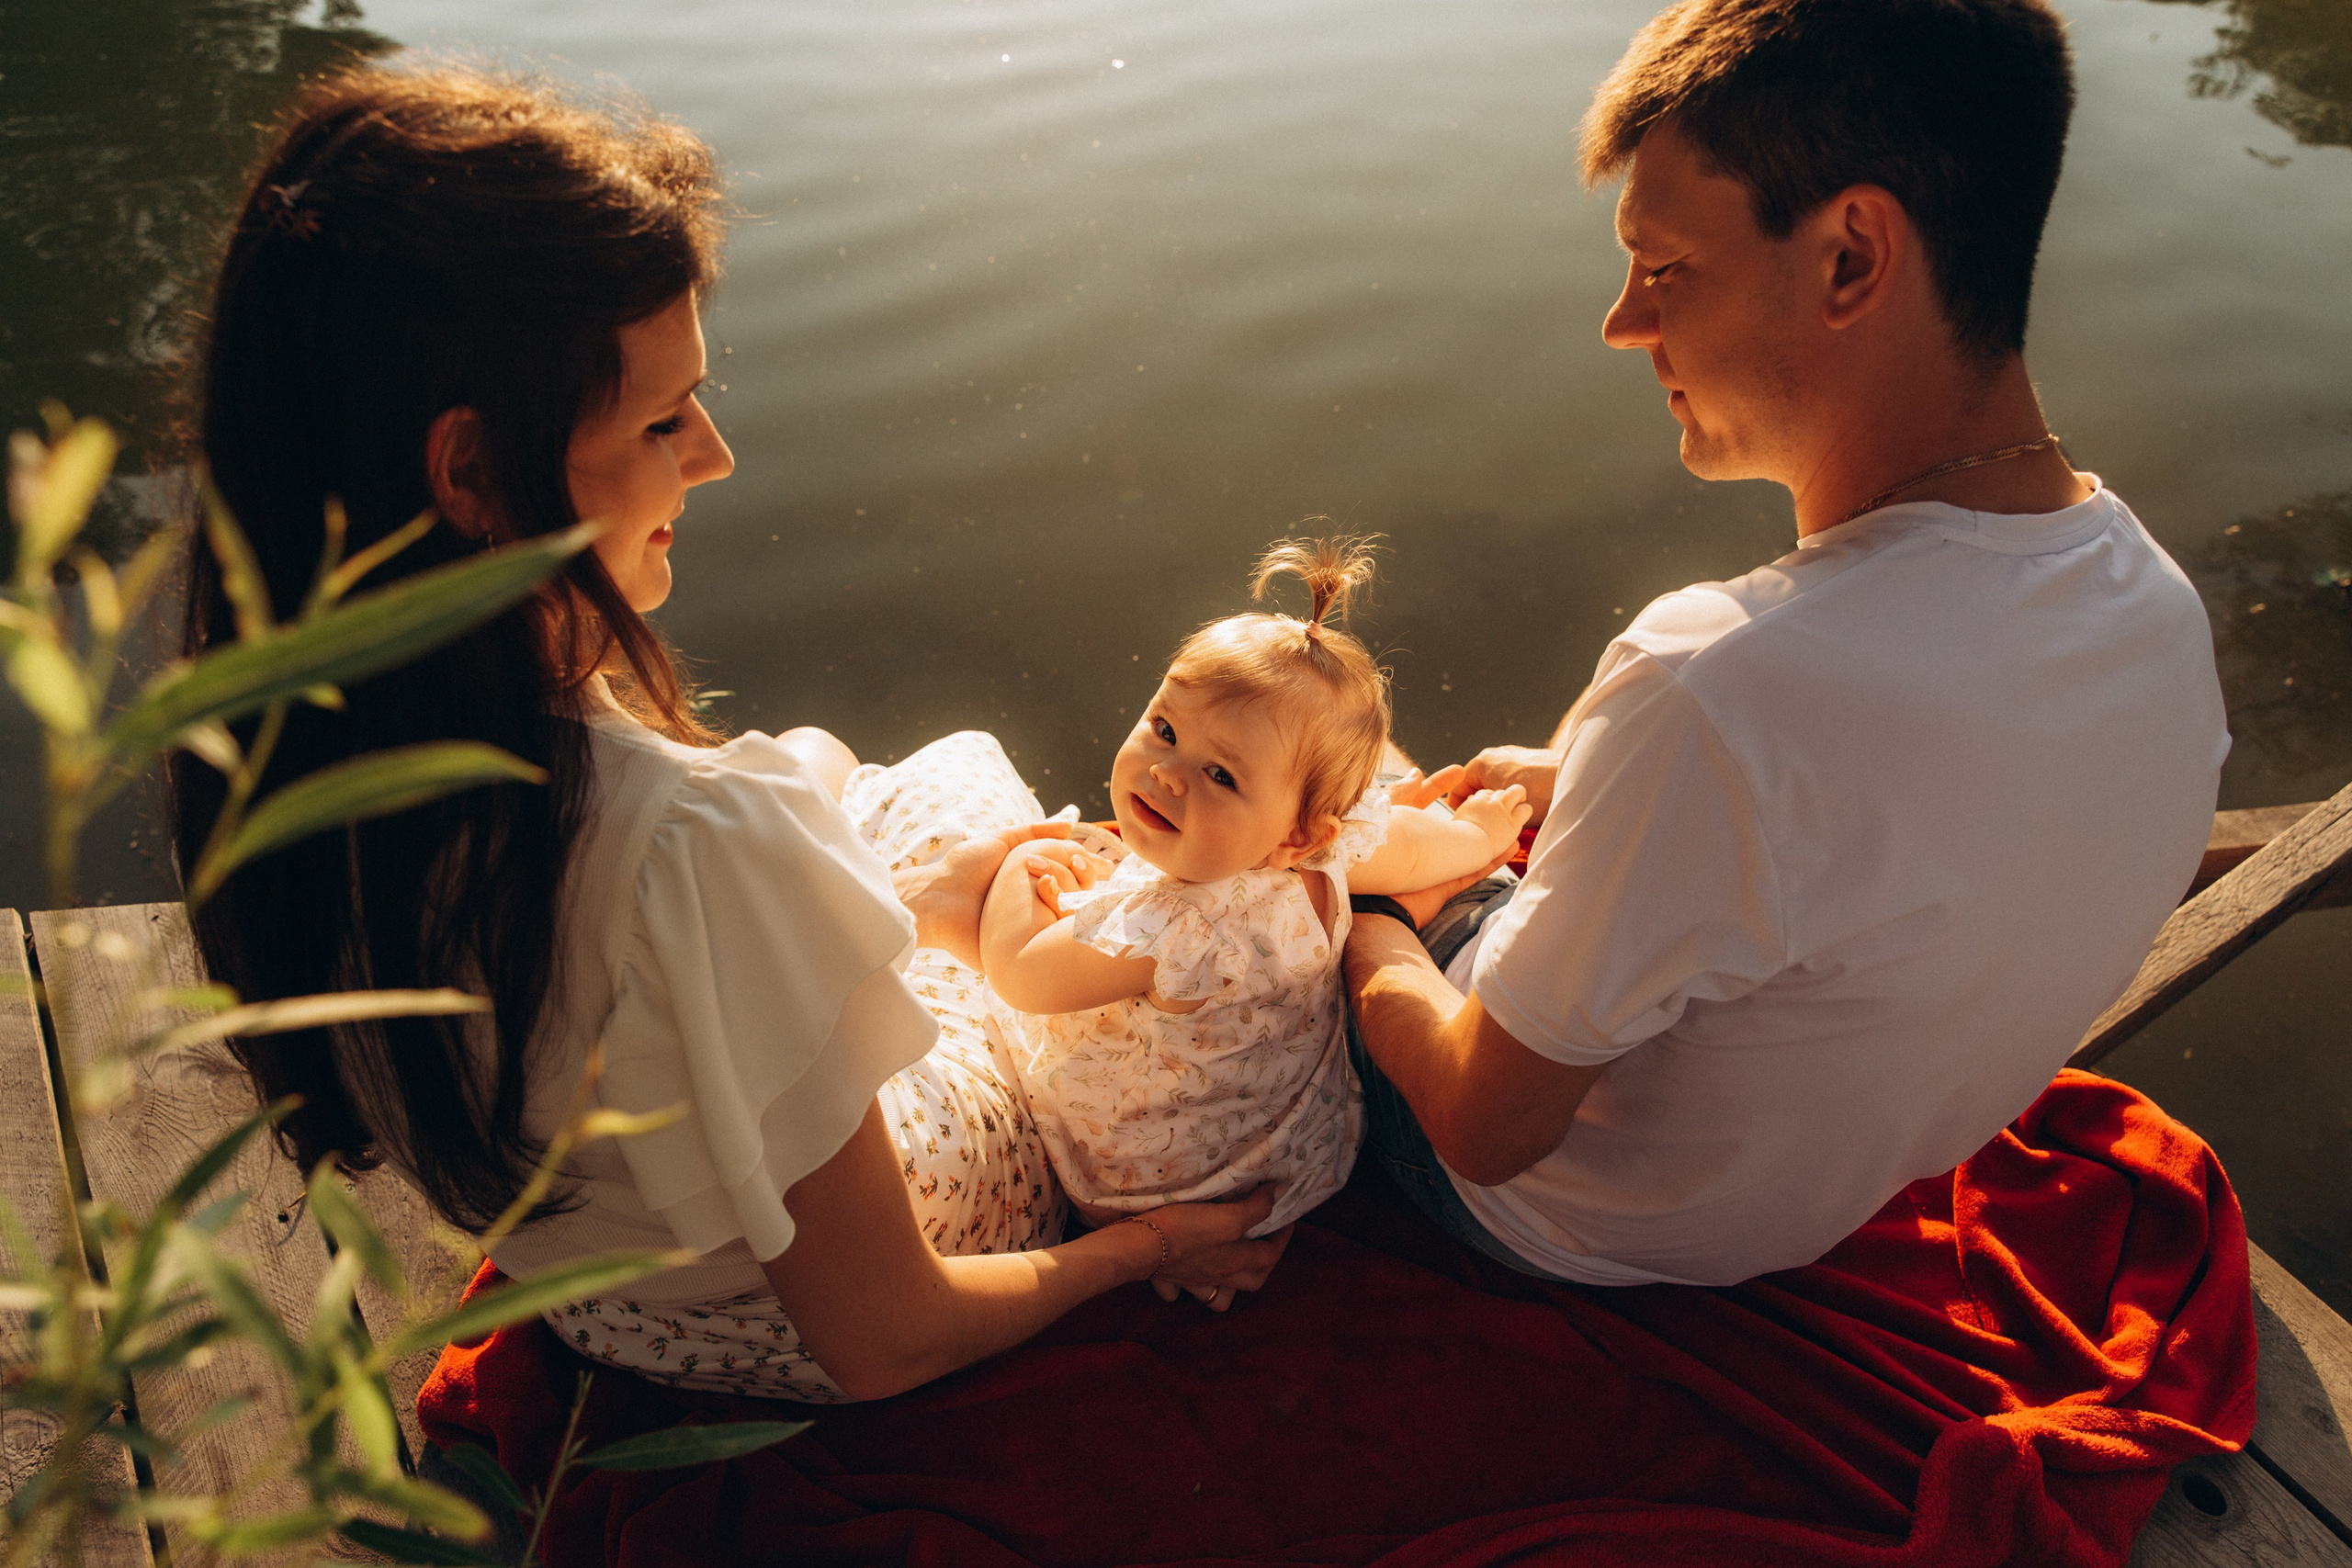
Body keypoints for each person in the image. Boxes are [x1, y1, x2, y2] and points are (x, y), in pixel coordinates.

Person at [173, 63, 1285, 1406]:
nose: (714, 455)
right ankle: (936, 931)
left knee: (824, 760)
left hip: (626, 1306)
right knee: (977, 787)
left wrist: (852, 901)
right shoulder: (688, 844)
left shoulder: (280, 754)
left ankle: (897, 906)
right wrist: (1141, 1246)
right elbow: (890, 1334)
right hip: (826, 1298)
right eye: (660, 416)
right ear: (471, 472)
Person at [1344, 0, 2230, 1287]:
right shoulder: (2148, 604)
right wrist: (1584, 776)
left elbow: (1488, 1129)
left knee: (1284, 816)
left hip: (1579, 1227)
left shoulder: (1718, 681)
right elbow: (1883, 825)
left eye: (1665, 267)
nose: (1623, 325)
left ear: (1850, 259)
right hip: (1808, 1197)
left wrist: (1363, 932)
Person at [839, 542, 1529, 1244]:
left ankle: (947, 909)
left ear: (1297, 834)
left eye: (1221, 776)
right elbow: (1414, 844)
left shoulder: (1177, 926)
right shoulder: (1329, 853)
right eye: (1164, 729)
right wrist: (1480, 833)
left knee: (993, 960)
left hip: (1152, 1182)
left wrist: (1021, 871)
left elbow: (1020, 971)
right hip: (1287, 1149)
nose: (1167, 773)